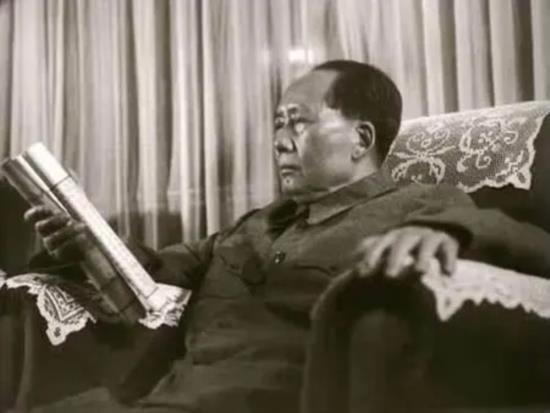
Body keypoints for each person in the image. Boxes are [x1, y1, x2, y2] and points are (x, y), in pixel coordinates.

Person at [21, 60, 550, 413]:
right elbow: (154, 272)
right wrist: (85, 244)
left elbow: (526, 240)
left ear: (361, 138)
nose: (279, 140)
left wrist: (445, 232)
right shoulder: (251, 226)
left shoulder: (417, 205)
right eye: (277, 124)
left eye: (297, 123)